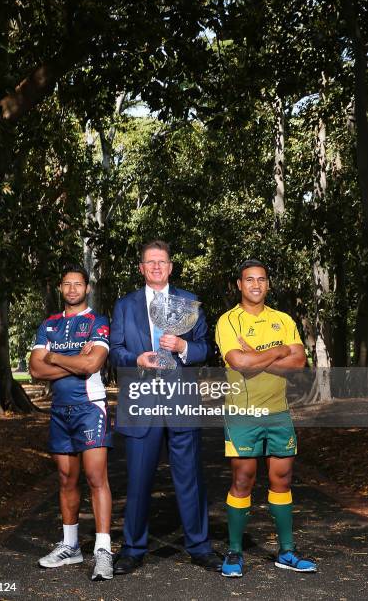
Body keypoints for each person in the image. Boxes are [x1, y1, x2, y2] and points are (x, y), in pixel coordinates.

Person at [110, 240, 222, 575]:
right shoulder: (125, 305)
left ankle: (200, 547)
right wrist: (136, 358)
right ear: (141, 268)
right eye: (150, 262)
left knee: (190, 478)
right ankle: (132, 548)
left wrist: (185, 346)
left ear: (171, 267)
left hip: (181, 402)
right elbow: (114, 350)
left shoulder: (188, 302)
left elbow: (206, 349)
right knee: (138, 480)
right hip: (141, 401)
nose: (157, 267)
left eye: (162, 262)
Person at [215, 259, 317, 577]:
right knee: (243, 479)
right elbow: (240, 363)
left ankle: (286, 552)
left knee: (282, 479)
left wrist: (258, 355)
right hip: (243, 413)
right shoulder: (228, 321)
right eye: (249, 280)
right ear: (239, 285)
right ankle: (234, 553)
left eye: (261, 279)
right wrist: (277, 352)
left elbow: (299, 362)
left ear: (267, 284)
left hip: (278, 412)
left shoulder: (283, 320)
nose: (256, 285)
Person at [29, 264, 114, 581]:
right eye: (67, 284)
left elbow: (92, 363)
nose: (73, 289)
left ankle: (103, 551)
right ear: (60, 288)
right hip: (60, 410)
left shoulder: (98, 321)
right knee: (66, 478)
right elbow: (36, 370)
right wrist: (75, 362)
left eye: (79, 284)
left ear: (87, 288)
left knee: (96, 478)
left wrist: (55, 358)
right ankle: (70, 546)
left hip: (90, 408)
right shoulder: (48, 325)